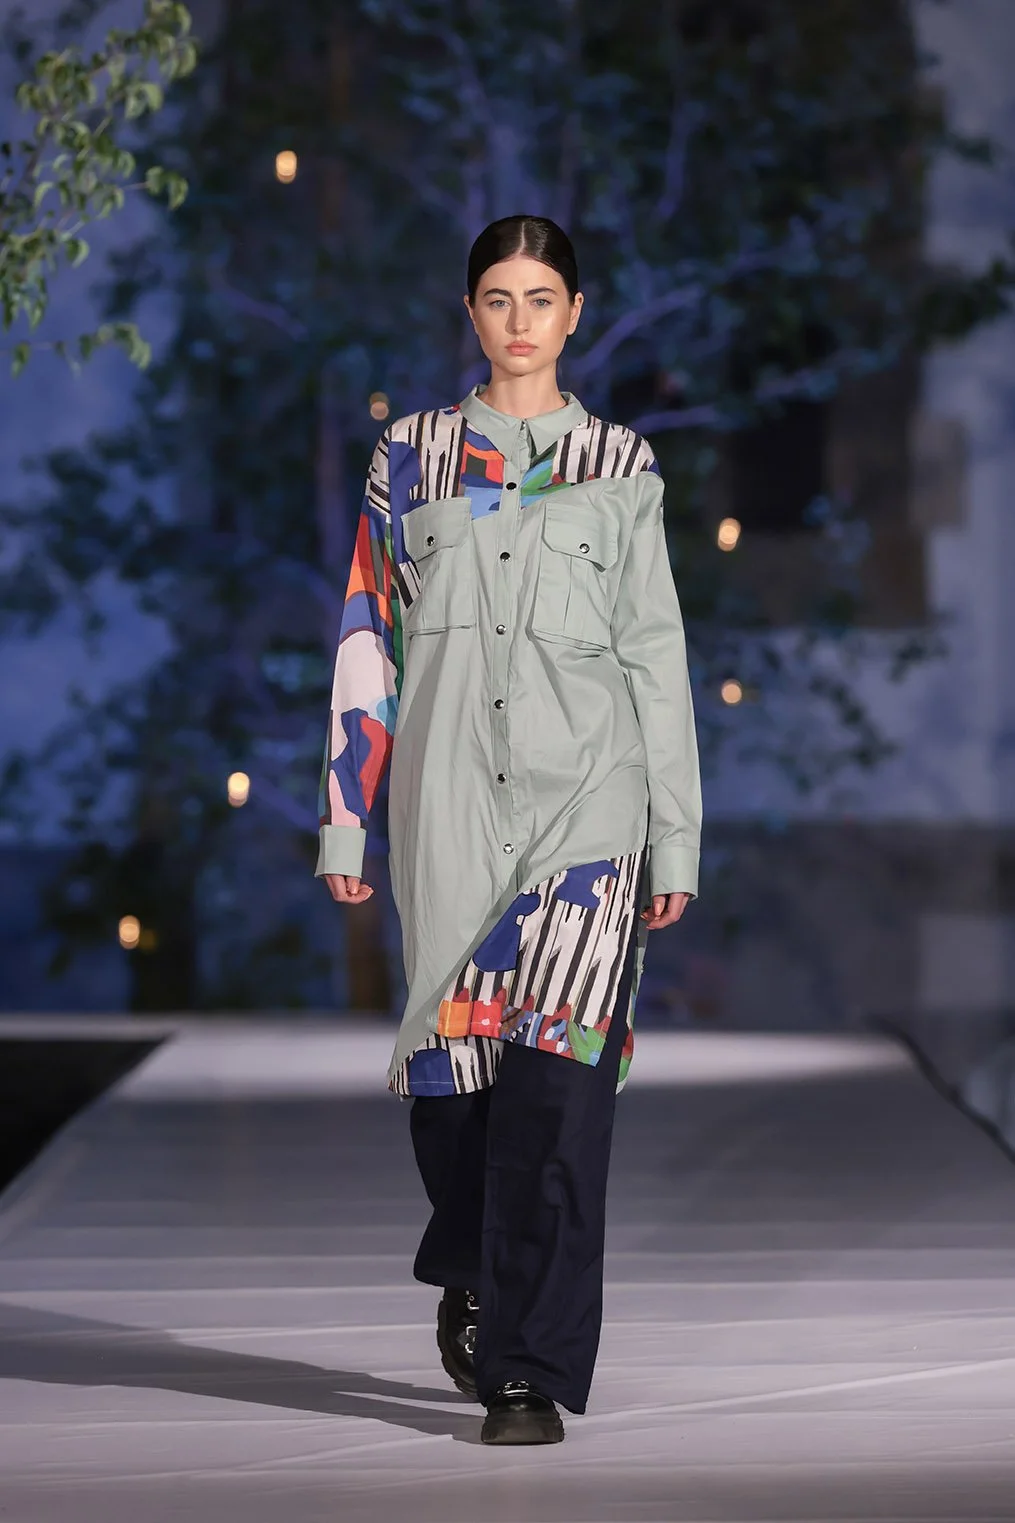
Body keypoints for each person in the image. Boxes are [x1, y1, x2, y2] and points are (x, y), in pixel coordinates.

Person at [316, 214, 701, 1445]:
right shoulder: (411, 458)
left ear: (574, 314)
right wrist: (344, 821)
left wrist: (675, 838)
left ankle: (526, 1369)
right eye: (498, 297)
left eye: (542, 298)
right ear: (471, 312)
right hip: (446, 816)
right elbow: (367, 637)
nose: (520, 319)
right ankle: (473, 1263)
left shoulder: (619, 463)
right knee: (453, 1096)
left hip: (591, 816)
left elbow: (655, 659)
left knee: (561, 1101)